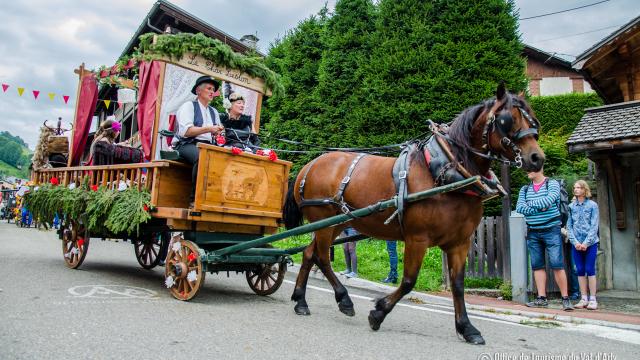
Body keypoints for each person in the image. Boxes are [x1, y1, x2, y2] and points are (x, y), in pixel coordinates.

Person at [516, 168, 574, 311]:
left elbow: (550, 200)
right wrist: (540, 207)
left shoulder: (552, 184)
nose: (527, 172)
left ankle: (565, 299)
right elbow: (519, 208)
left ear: (539, 169)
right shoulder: (524, 189)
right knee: (537, 265)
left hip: (551, 230)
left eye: (529, 169)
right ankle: (541, 298)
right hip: (533, 231)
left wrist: (530, 205)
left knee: (557, 264)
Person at [172, 76, 225, 206]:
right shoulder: (188, 106)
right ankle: (195, 199)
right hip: (187, 144)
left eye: (213, 89)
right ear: (198, 91)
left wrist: (219, 133)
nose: (212, 92)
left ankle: (216, 199)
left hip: (208, 145)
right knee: (202, 157)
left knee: (224, 159)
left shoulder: (214, 112)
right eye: (209, 88)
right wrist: (209, 128)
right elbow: (186, 132)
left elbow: (217, 134)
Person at [566, 180, 599, 310]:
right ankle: (583, 298)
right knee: (579, 270)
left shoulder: (592, 205)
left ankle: (593, 299)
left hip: (590, 244)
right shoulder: (571, 206)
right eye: (574, 188)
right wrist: (575, 242)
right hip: (576, 244)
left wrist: (586, 243)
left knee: (590, 269)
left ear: (584, 189)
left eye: (578, 187)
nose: (576, 189)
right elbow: (569, 226)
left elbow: (594, 225)